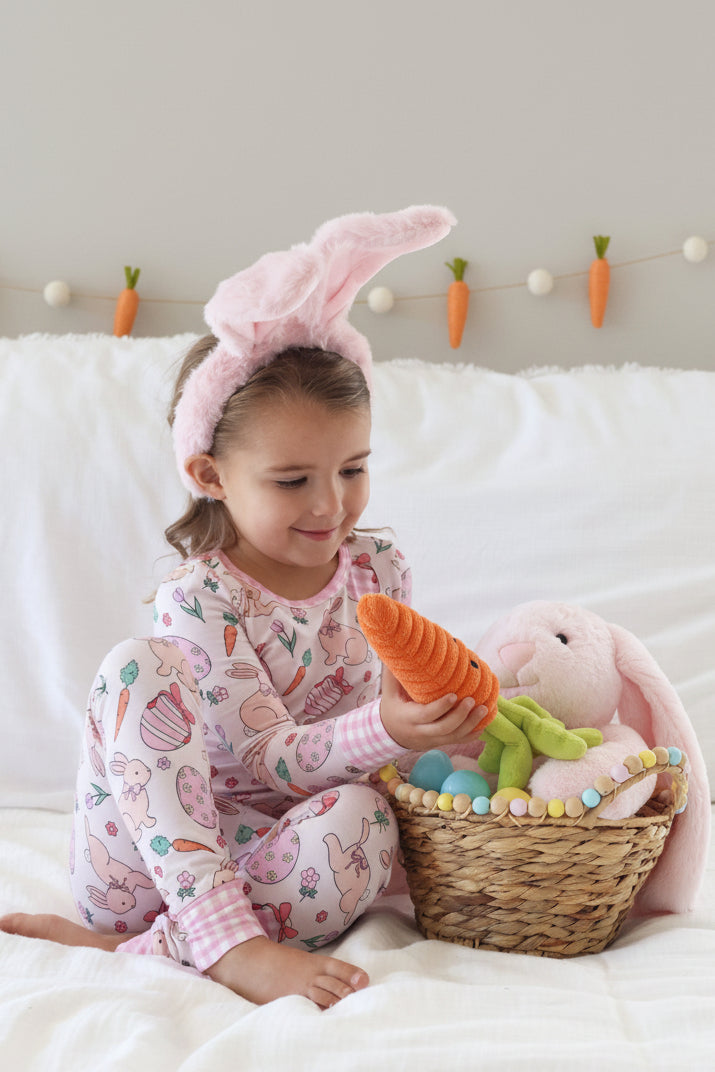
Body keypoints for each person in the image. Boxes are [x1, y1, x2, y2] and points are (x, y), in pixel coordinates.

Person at [1, 206, 484, 1008]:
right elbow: (268, 759)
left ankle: (133, 953)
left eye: (353, 468)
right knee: (135, 665)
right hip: (151, 859)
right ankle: (218, 939)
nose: (331, 505)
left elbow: (361, 752)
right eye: (292, 480)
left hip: (279, 863)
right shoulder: (204, 600)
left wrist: (439, 735)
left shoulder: (378, 570)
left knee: (364, 820)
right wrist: (384, 728)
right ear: (211, 474)